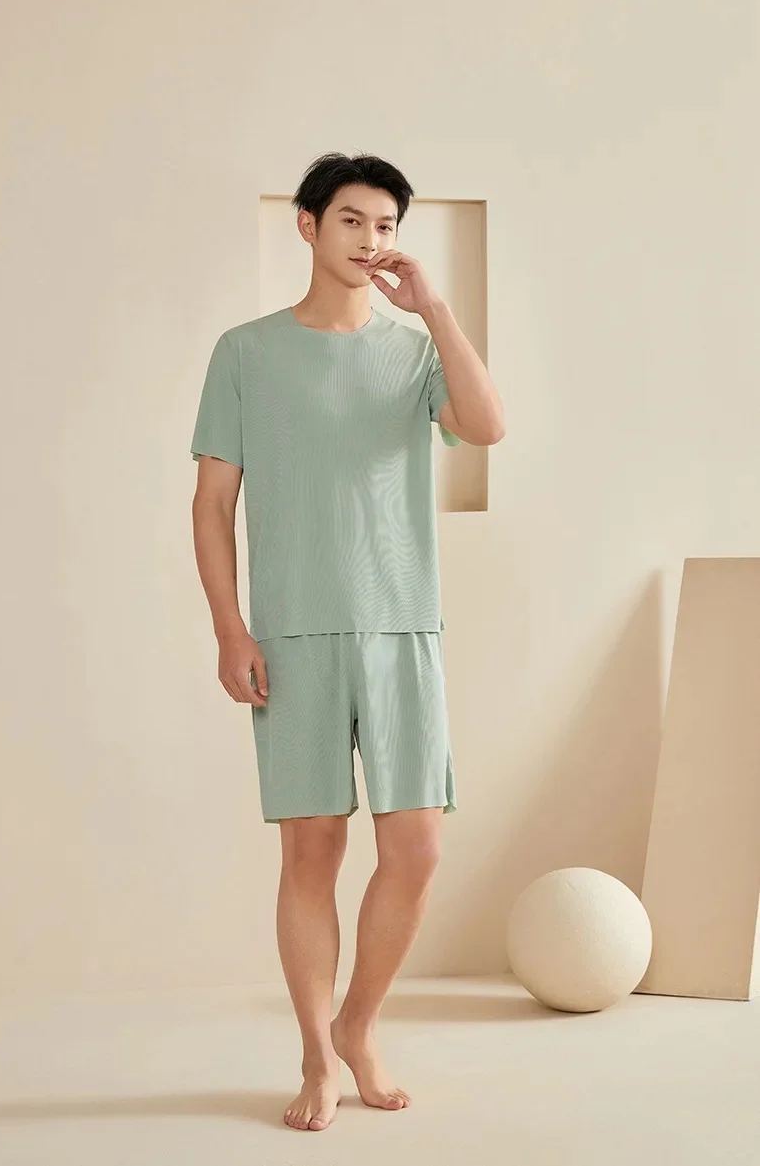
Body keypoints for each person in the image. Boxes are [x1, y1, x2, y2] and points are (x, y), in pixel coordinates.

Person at [190, 151, 505, 1132]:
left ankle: (358, 1023)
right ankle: (315, 1055)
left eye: (386, 226)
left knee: (417, 847)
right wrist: (230, 627)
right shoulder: (245, 353)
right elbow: (211, 505)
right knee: (312, 851)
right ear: (309, 226)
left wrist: (434, 310)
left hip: (402, 626)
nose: (372, 241)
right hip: (292, 635)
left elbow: (487, 425)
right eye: (352, 221)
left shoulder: (414, 353)